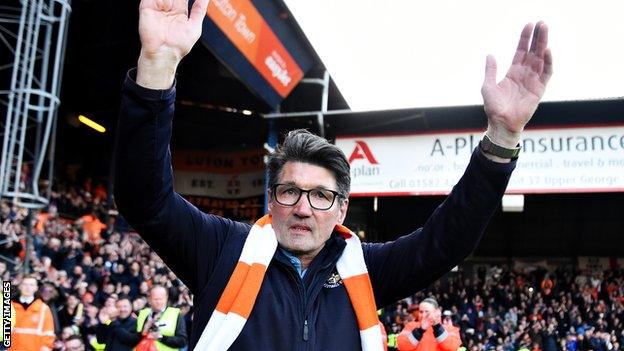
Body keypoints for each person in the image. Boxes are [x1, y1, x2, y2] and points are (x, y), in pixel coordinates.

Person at [114, 0, 552, 349]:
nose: (303, 208)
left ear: (341, 207)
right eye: (290, 192)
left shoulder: (366, 269)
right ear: (271, 200)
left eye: (321, 196)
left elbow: (446, 242)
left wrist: (503, 135)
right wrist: (157, 65)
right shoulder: (220, 250)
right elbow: (144, 199)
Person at [126, 285, 187, 350]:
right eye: (155, 299)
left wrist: (161, 338)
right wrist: (143, 332)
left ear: (166, 298)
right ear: (149, 299)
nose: (158, 302)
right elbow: (130, 340)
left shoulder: (176, 314)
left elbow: (182, 341)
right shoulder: (142, 313)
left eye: (161, 299)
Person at [10, 275, 56, 351]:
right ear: (20, 286)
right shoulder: (9, 306)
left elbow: (48, 333)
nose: (28, 287)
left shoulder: (43, 309)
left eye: (31, 285)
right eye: (25, 284)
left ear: (36, 288)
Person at [396, 298, 461, 351]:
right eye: (421, 312)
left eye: (427, 311)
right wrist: (420, 331)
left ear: (436, 312)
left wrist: (437, 327)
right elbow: (402, 346)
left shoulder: (450, 328)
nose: (423, 315)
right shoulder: (410, 326)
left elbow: (452, 347)